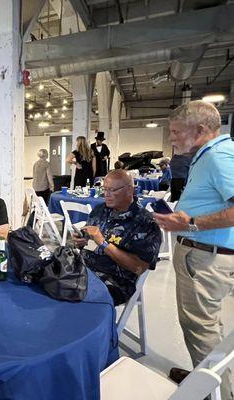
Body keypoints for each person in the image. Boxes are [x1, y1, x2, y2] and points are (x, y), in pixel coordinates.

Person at [153, 100, 234, 398]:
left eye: (175, 132)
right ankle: (204, 378)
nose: (172, 138)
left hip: (205, 259)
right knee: (208, 329)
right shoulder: (208, 155)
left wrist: (190, 223)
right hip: (204, 255)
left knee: (201, 331)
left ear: (200, 130)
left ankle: (214, 393)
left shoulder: (219, 156)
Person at [72, 170, 161, 305]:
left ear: (130, 190)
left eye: (112, 190)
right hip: (84, 269)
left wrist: (103, 243)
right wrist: (81, 241)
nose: (106, 195)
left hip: (115, 281)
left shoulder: (145, 223)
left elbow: (138, 267)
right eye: (104, 189)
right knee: (48, 278)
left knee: (69, 294)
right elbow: (90, 241)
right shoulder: (100, 210)